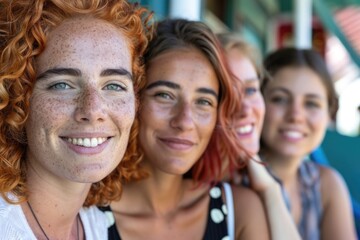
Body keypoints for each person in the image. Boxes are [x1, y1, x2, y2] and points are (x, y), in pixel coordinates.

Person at [104, 19, 270, 240]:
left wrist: (270, 191)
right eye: (165, 95)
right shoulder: (84, 217)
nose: (184, 121)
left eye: (203, 101)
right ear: (133, 99)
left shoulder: (239, 211)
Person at [0, 0, 152, 239]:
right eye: (62, 84)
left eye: (113, 85)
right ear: (17, 100)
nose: (92, 110)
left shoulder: (100, 224)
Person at [260, 47, 357, 240]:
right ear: (258, 103)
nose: (296, 116)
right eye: (279, 99)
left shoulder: (326, 185)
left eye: (311, 103)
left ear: (329, 113)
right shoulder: (230, 182)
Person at [217, 33, 302, 240]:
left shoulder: (255, 180)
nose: (245, 108)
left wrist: (270, 189)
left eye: (251, 90)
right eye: (228, 93)